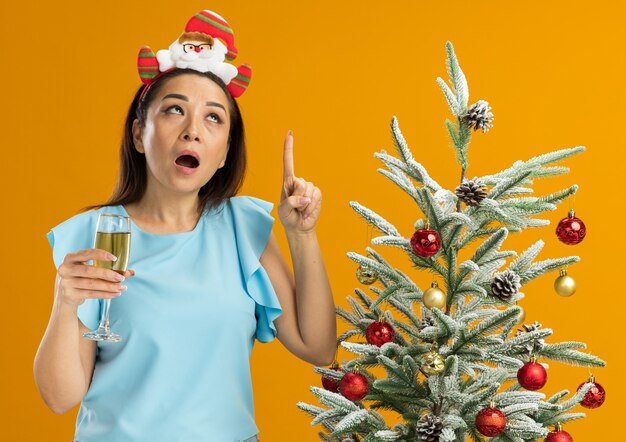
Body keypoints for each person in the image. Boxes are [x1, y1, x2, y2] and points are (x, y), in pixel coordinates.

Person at [33, 9, 337, 442]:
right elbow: (60, 397)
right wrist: (65, 304)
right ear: (140, 134)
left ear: (224, 149)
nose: (193, 131)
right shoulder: (95, 233)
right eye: (175, 110)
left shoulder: (242, 228)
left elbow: (318, 347)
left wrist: (301, 235)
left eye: (213, 117)